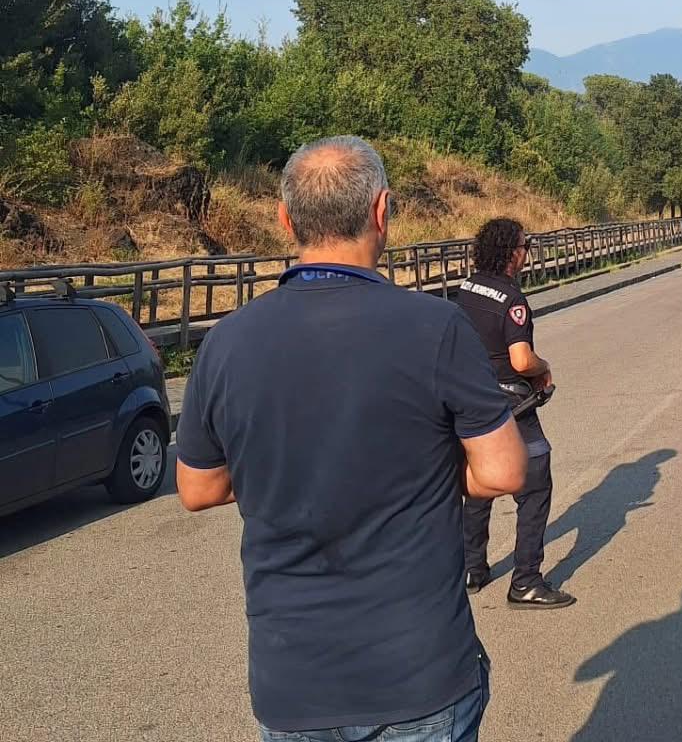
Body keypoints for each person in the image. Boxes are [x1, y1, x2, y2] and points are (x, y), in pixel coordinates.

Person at [176, 137, 527, 742]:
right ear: (383, 211)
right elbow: (502, 472)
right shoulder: (435, 327)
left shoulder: (227, 342)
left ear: (286, 219)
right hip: (418, 675)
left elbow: (198, 488)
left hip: (292, 680)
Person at [453, 217, 576, 608]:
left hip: (470, 399)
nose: (527, 252)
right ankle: (525, 581)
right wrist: (545, 368)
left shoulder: (467, 287)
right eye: (526, 245)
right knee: (535, 484)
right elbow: (521, 360)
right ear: (512, 252)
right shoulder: (512, 299)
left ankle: (472, 568)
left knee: (479, 482)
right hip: (511, 403)